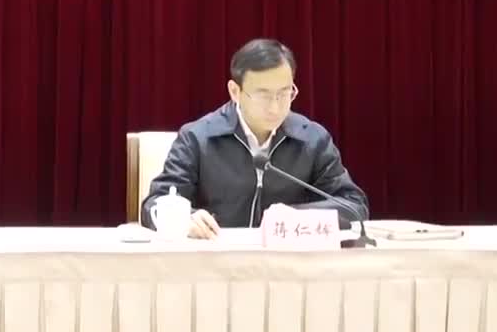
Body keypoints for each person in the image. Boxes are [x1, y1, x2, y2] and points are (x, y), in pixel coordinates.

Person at [140, 38, 368, 238]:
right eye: (263, 95)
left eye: (285, 93)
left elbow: (354, 205)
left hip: (289, 263)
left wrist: (295, 217)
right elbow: (153, 205)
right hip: (216, 260)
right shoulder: (197, 138)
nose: (275, 107)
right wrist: (185, 219)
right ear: (235, 91)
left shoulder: (312, 139)